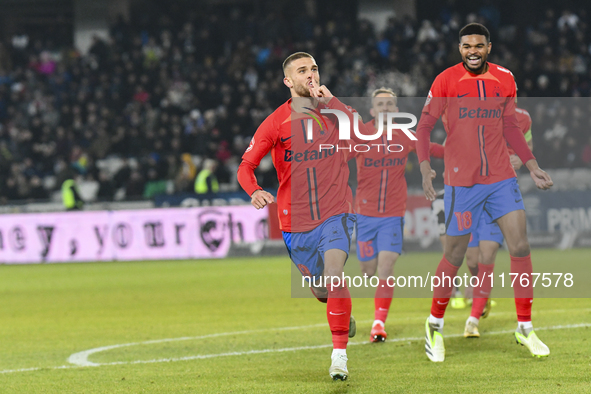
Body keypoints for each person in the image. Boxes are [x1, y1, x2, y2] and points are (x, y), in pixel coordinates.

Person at [416, 23, 553, 362]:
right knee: (456, 255)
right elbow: (423, 126)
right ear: (460, 48)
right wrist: (423, 168)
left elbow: (511, 125)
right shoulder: (445, 81)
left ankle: (524, 328)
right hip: (462, 182)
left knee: (520, 245)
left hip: (500, 178)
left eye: (478, 45)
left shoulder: (505, 78)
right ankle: (434, 325)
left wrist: (532, 164)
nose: (472, 51)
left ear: (488, 47)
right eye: (466, 46)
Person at [237, 52, 364, 380]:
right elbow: (246, 166)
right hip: (295, 222)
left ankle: (339, 357)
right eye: (302, 71)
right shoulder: (276, 121)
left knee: (335, 275)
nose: (311, 75)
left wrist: (333, 100)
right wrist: (254, 191)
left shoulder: (333, 111)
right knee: (323, 289)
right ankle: (338, 308)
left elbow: (362, 131)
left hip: (336, 212)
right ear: (288, 81)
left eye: (315, 68)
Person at [353, 87, 444, 342]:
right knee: (368, 270)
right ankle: (375, 310)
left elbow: (430, 147)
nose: (385, 108)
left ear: (396, 110)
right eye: (380, 104)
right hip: (365, 214)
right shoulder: (359, 135)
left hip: (393, 214)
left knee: (386, 267)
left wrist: (458, 151)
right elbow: (335, 157)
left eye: (390, 104)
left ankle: (378, 323)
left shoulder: (404, 135)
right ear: (372, 110)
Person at [462, 91, 534, 338]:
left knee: (487, 254)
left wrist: (521, 161)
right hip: (473, 192)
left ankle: (473, 320)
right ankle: (483, 293)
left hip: (500, 193)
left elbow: (527, 147)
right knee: (472, 261)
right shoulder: (477, 114)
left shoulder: (523, 118)